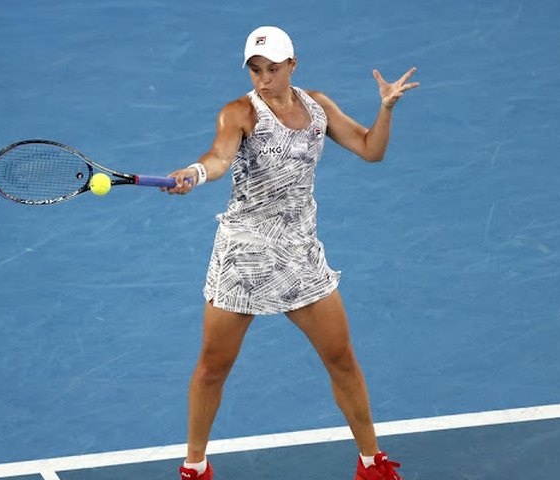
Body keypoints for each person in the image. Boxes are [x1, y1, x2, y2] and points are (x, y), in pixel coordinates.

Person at [164, 25, 418, 480]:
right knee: (211, 368)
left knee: (342, 360)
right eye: (255, 69)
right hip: (244, 257)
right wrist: (197, 173)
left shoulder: (318, 106)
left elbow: (370, 149)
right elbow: (220, 157)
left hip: (300, 254)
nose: (263, 78)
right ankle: (195, 466)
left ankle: (371, 463)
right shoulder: (239, 113)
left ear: (292, 65)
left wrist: (385, 109)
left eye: (272, 69)